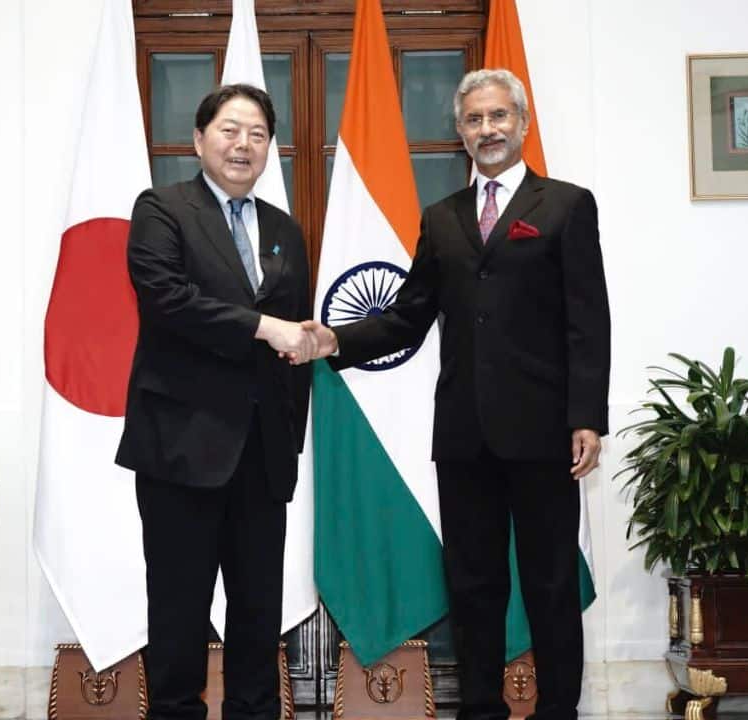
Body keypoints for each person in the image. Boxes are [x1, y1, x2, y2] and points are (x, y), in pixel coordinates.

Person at [303, 68, 610, 720]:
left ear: (521, 125)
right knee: (474, 587)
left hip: (545, 433)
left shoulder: (566, 205)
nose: (487, 129)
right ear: (460, 132)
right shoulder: (441, 220)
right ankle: (480, 711)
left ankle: (560, 711)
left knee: (550, 585)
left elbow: (589, 321)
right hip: (464, 437)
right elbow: (408, 316)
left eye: (498, 116)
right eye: (474, 120)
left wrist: (587, 416)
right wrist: (337, 340)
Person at [115, 83, 313, 720]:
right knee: (178, 609)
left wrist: (291, 434)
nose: (243, 144)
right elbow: (167, 301)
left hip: (262, 453)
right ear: (199, 139)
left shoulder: (284, 229)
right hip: (181, 448)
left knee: (258, 612)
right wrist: (261, 328)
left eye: (257, 134)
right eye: (230, 130)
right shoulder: (162, 209)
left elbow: (297, 341)